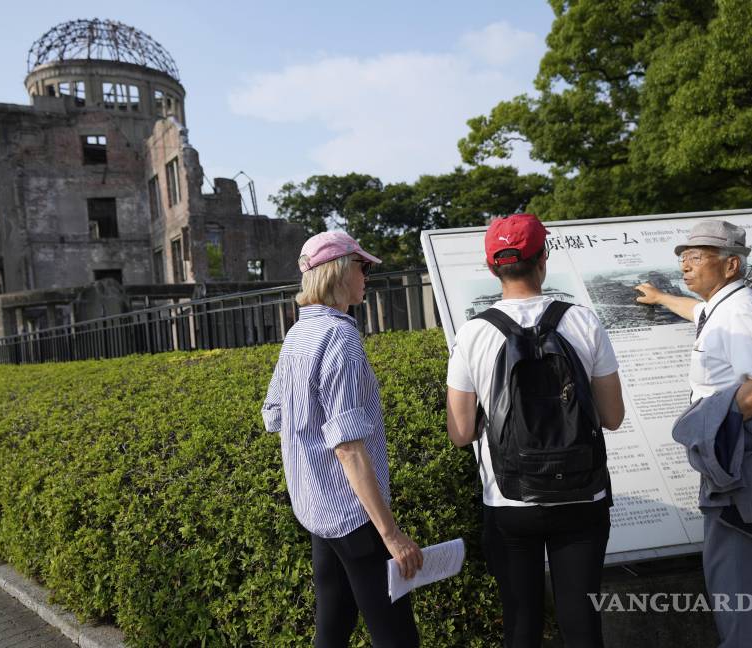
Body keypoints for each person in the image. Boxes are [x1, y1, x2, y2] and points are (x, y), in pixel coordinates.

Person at [446, 213, 625, 648]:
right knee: (582, 624)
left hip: (510, 497)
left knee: (521, 625)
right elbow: (613, 416)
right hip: (582, 495)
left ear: (493, 268)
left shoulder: (473, 333)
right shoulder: (582, 321)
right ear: (543, 259)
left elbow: (461, 431)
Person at [635, 220, 752, 648]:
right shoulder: (723, 304)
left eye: (696, 258)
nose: (685, 266)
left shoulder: (739, 310)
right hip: (749, 447)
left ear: (731, 264)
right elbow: (699, 312)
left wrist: (711, 432)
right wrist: (661, 298)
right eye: (683, 259)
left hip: (741, 451)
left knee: (735, 580)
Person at [262, 231, 423, 648]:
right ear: (337, 272)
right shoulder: (340, 338)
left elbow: (274, 415)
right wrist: (391, 534)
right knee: (398, 637)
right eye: (361, 266)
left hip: (316, 508)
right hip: (354, 515)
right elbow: (348, 447)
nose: (367, 275)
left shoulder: (297, 335)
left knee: (332, 629)